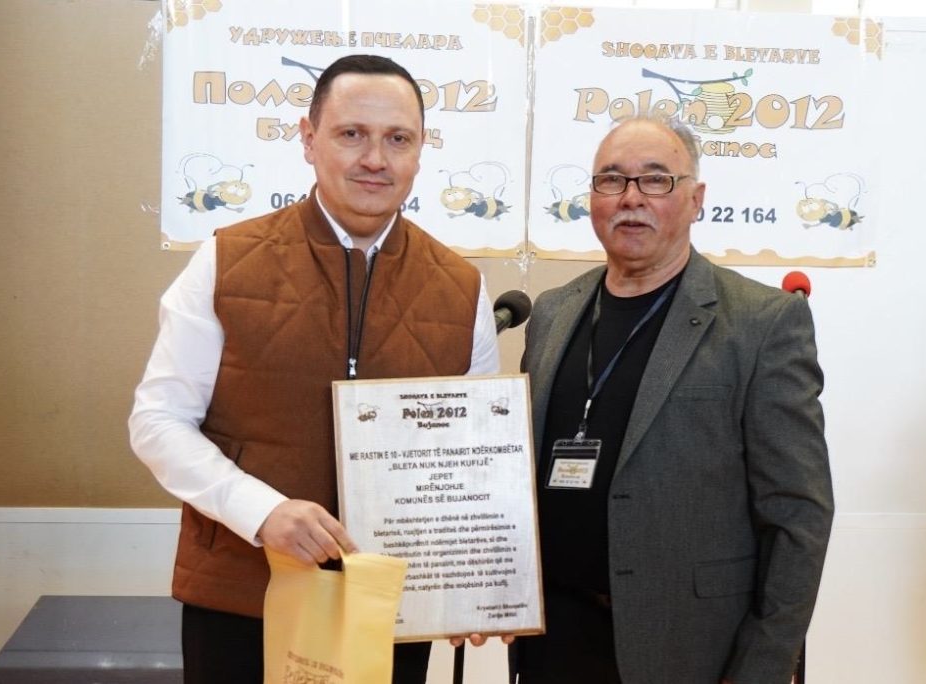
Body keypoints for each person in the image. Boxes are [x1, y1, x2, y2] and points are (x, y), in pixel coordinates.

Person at [129, 54, 499, 684]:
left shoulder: (463, 289)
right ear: (308, 139)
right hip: (241, 599)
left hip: (387, 608)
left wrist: (472, 585)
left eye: (398, 139)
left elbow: (473, 460)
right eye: (352, 134)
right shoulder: (225, 261)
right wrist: (261, 512)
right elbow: (158, 422)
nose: (375, 159)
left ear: (420, 150)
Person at [514, 117, 834, 683]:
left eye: (656, 180)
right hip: (553, 642)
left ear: (696, 199)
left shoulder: (761, 323)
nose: (631, 198)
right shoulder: (553, 312)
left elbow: (798, 513)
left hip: (690, 650)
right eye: (611, 179)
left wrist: (762, 666)